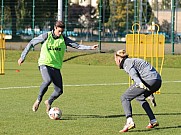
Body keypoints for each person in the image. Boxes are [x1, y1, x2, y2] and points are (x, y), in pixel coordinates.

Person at [18, 20, 98, 114]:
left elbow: (77, 46)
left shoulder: (64, 39)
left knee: (59, 90)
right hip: (44, 63)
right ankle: (38, 100)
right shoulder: (46, 36)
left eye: (62, 31)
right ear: (55, 28)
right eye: (59, 31)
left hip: (56, 67)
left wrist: (90, 47)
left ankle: (49, 101)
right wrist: (22, 56)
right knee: (47, 80)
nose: (60, 33)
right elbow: (31, 43)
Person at [114, 49, 162, 133]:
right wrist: (150, 93)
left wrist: (139, 83)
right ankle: (153, 120)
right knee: (140, 97)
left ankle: (129, 122)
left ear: (119, 59)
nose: (115, 62)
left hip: (148, 80)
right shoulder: (132, 61)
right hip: (157, 81)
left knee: (124, 97)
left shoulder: (127, 62)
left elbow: (133, 73)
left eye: (115, 60)